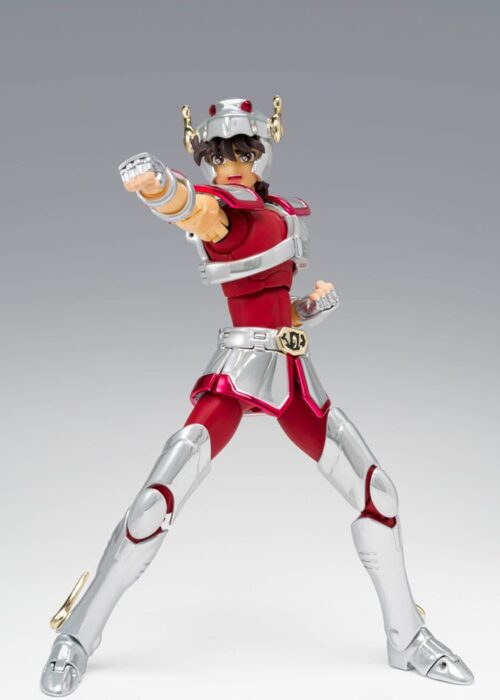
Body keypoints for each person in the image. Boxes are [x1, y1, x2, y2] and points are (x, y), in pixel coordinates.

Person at [40, 96, 474, 696]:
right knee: (154, 502)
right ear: (206, 162)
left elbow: (276, 311)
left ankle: (408, 638)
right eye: (219, 157)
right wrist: (155, 184)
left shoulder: (282, 214)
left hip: (293, 373)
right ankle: (76, 636)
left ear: (263, 152)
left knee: (380, 494)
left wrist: (308, 309)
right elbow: (189, 208)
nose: (232, 166)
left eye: (243, 154)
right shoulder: (224, 212)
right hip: (239, 369)